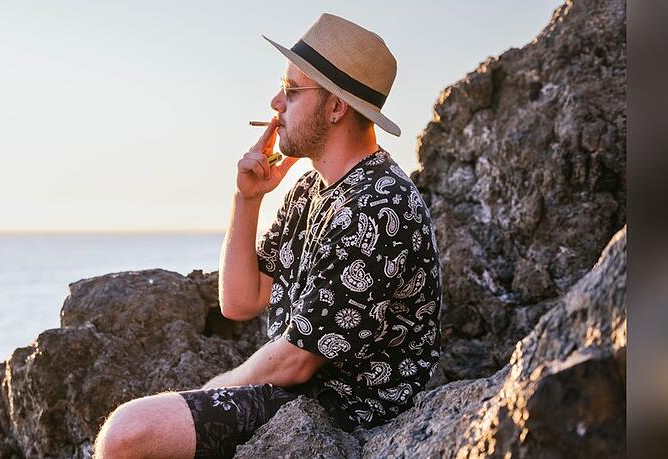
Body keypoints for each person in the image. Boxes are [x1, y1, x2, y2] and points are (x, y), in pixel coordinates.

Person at [94, 13, 442, 459]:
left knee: (130, 432)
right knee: (142, 423)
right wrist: (248, 199)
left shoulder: (378, 203)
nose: (276, 102)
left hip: (350, 417)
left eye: (293, 90)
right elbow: (241, 300)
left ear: (336, 107)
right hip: (301, 397)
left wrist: (213, 389)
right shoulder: (311, 188)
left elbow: (299, 359)